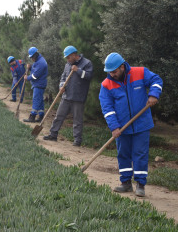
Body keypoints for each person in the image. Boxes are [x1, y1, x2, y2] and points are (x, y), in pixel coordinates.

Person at [99, 52, 163, 197]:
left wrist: (153, 94)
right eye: (110, 72)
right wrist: (114, 127)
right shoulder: (106, 85)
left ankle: (140, 184)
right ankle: (126, 183)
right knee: (123, 154)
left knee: (140, 153)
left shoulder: (140, 73)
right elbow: (107, 109)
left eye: (114, 71)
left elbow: (156, 80)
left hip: (142, 124)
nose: (112, 75)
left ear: (122, 67)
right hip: (122, 127)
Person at [43, 46, 93, 146]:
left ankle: (77, 140)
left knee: (77, 120)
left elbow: (89, 76)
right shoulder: (68, 64)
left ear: (74, 55)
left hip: (79, 98)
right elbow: (63, 77)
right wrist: (61, 86)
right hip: (66, 96)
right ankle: (53, 134)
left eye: (68, 57)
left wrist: (78, 70)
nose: (67, 60)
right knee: (58, 116)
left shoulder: (87, 63)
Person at [23, 47, 48, 123]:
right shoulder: (38, 60)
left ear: (36, 55)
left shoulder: (41, 63)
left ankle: (32, 117)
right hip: (38, 84)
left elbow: (35, 76)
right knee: (40, 101)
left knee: (36, 100)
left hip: (39, 84)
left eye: (32, 57)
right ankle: (41, 116)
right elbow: (34, 70)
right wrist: (30, 68)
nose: (31, 59)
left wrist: (27, 78)